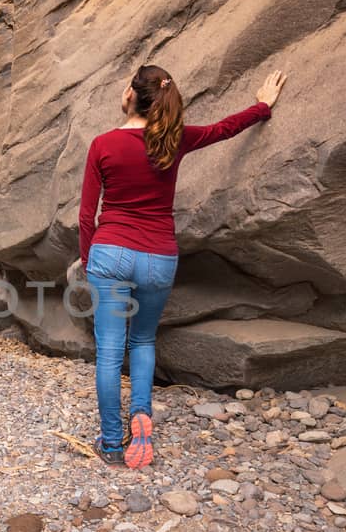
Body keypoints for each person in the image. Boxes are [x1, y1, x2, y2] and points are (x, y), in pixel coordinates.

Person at [69, 64, 287, 468]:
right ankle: (141, 416)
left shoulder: (103, 144)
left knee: (110, 353)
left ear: (130, 96)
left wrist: (88, 258)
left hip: (111, 253)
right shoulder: (175, 139)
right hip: (158, 257)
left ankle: (112, 445)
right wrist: (261, 106)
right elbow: (224, 129)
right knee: (144, 341)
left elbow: (86, 216)